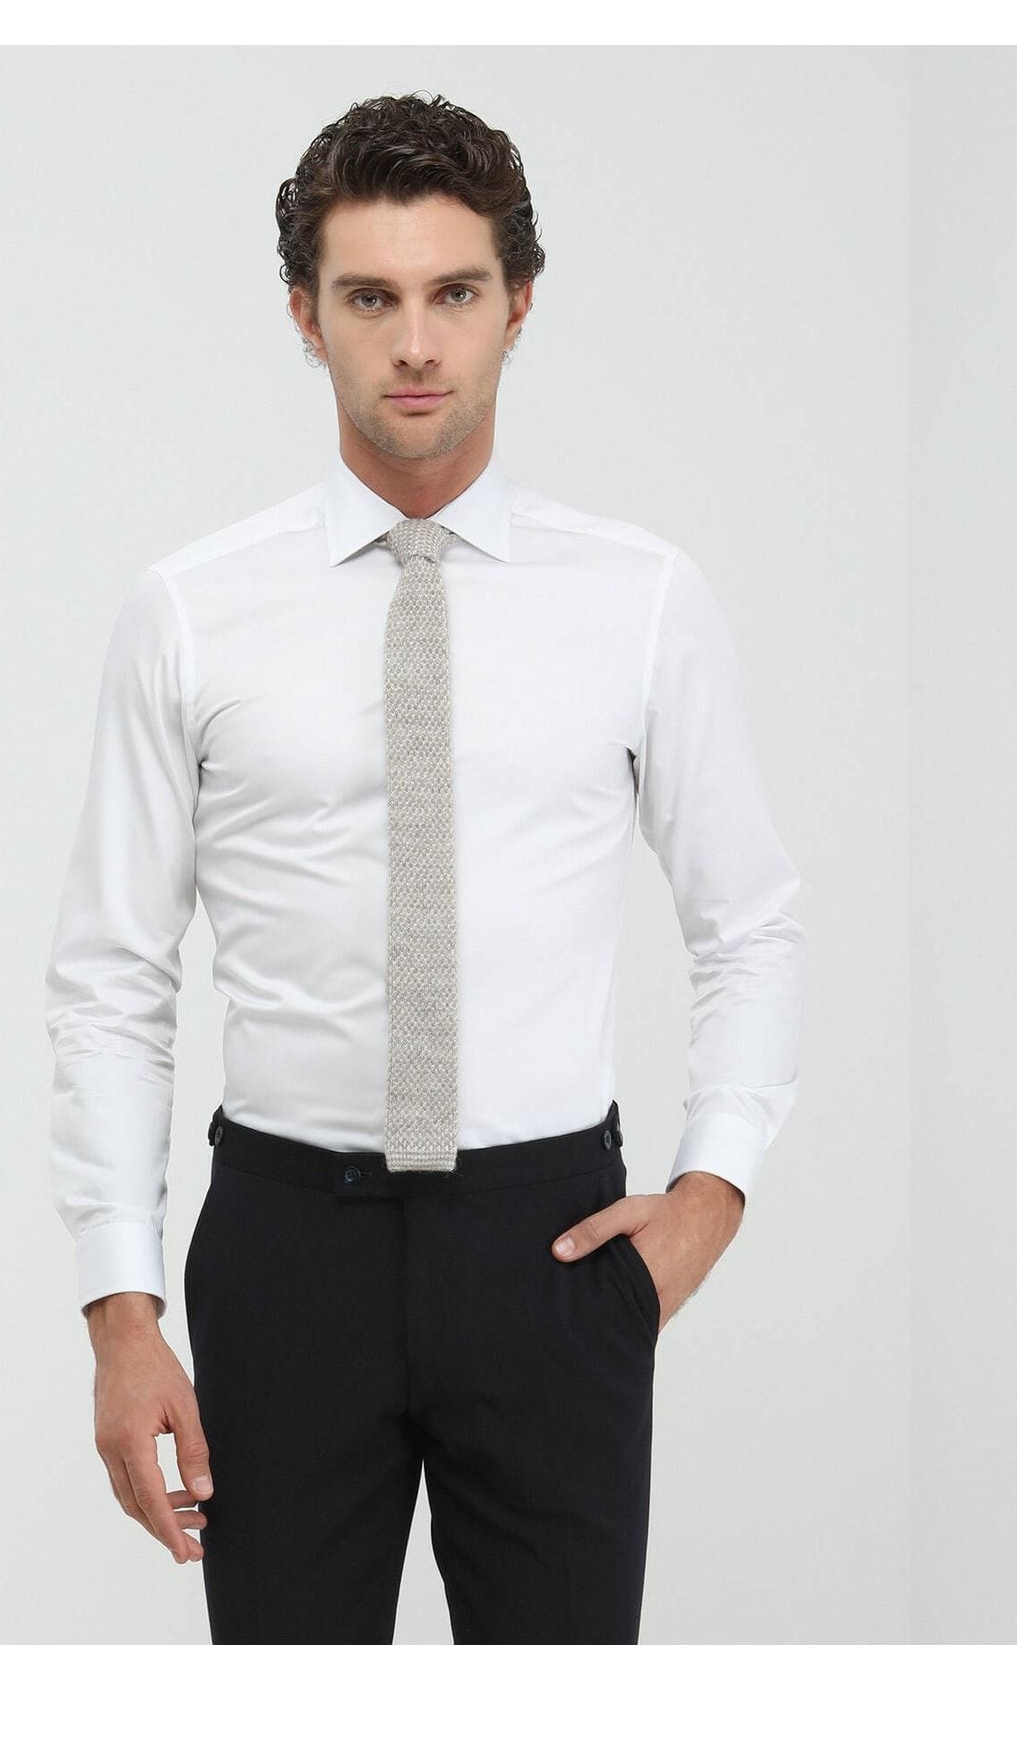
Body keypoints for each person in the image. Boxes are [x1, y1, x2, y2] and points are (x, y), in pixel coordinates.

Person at [43, 91, 806, 1645]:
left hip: (550, 1253)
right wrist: (122, 1313)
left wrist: (710, 1195)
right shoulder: (191, 612)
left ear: (519, 303)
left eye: (454, 293)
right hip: (284, 1254)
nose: (413, 344)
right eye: (368, 297)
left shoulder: (641, 601)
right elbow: (113, 973)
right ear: (303, 315)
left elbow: (751, 923)